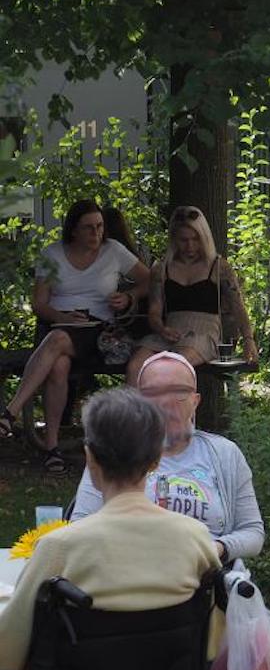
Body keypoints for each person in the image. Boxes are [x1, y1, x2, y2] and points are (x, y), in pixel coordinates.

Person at [0, 388, 221, 670]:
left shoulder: (59, 548)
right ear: (156, 460)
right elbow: (213, 648)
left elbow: (7, 656)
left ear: (90, 458)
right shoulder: (196, 540)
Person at [0, 199, 150, 473]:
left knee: (57, 343)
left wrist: (129, 297)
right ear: (73, 230)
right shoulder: (52, 254)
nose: (96, 234)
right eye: (89, 228)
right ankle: (52, 448)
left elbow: (149, 280)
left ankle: (10, 413)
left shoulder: (113, 251)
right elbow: (39, 303)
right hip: (58, 325)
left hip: (96, 329)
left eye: (100, 226)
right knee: (58, 364)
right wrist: (62, 318)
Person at [71, 352, 265, 563]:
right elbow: (81, 524)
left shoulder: (225, 454)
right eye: (153, 392)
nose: (165, 402)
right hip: (128, 573)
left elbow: (252, 531)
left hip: (206, 579)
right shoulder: (115, 449)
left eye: (179, 391)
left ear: (195, 401)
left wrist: (216, 549)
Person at [128, 206, 259, 384]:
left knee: (173, 365)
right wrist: (161, 328)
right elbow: (154, 311)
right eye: (183, 240)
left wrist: (248, 339)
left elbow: (238, 307)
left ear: (204, 237)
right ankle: (133, 411)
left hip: (204, 334)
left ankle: (171, 409)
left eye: (195, 239)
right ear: (174, 239)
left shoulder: (219, 267)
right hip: (170, 331)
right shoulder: (161, 268)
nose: (190, 246)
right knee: (136, 365)